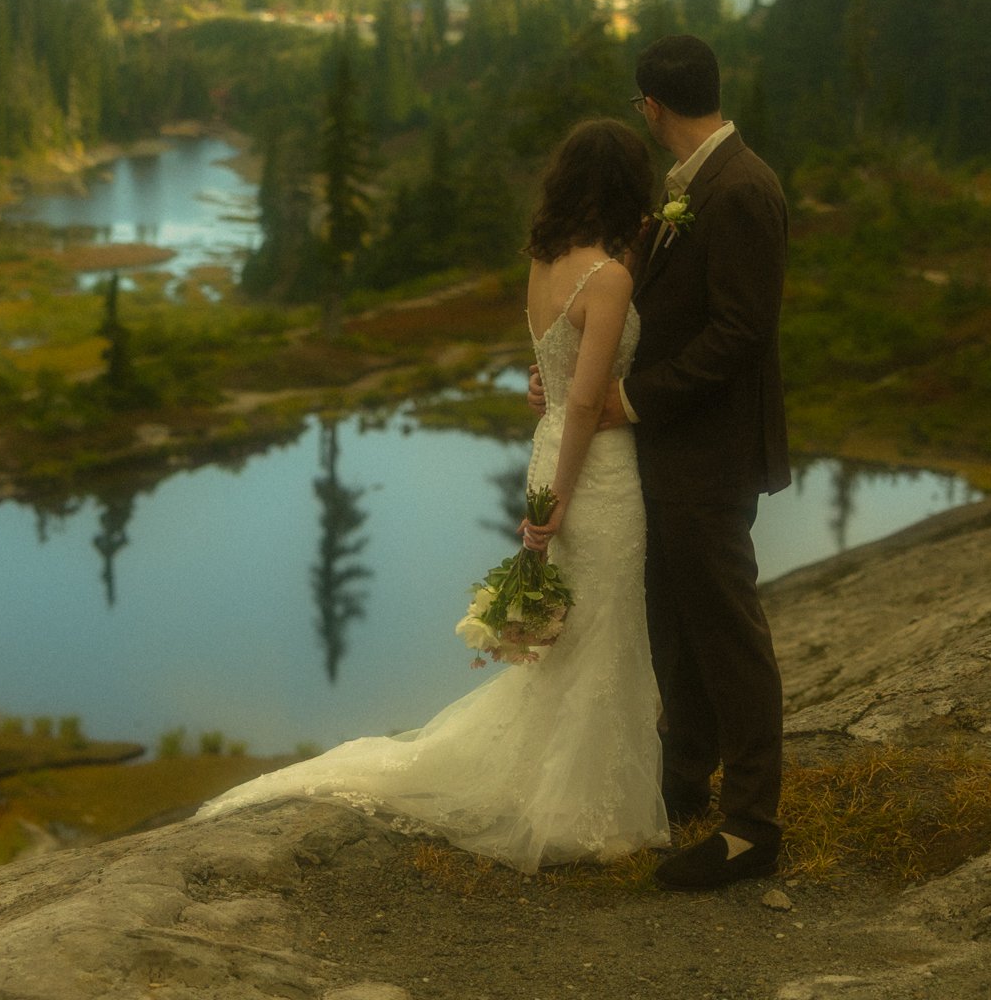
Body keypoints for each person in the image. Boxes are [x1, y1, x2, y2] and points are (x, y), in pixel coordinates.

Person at [197, 118, 667, 873]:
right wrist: (564, 503)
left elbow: (553, 376)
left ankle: (572, 792)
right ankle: (587, 808)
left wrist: (547, 450)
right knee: (605, 626)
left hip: (549, 452)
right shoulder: (607, 278)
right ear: (624, 188)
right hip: (595, 467)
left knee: (578, 635)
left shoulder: (546, 265)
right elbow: (584, 403)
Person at [533, 32, 790, 889]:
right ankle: (682, 787)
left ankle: (753, 827)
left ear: (652, 106)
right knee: (676, 631)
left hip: (711, 456)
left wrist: (631, 400)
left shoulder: (743, 188)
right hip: (669, 458)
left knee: (727, 631)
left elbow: (742, 331)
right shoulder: (692, 190)